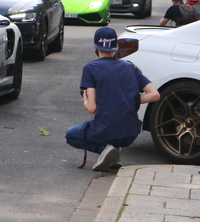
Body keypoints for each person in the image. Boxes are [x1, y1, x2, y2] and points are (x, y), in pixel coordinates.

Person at [65, 27, 160, 171]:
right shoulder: (131, 67)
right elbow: (154, 94)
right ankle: (114, 152)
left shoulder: (91, 68)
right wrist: (129, 98)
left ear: (96, 47)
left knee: (71, 135)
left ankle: (106, 150)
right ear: (116, 46)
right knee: (115, 129)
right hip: (130, 133)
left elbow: (92, 108)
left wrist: (85, 98)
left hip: (104, 131)